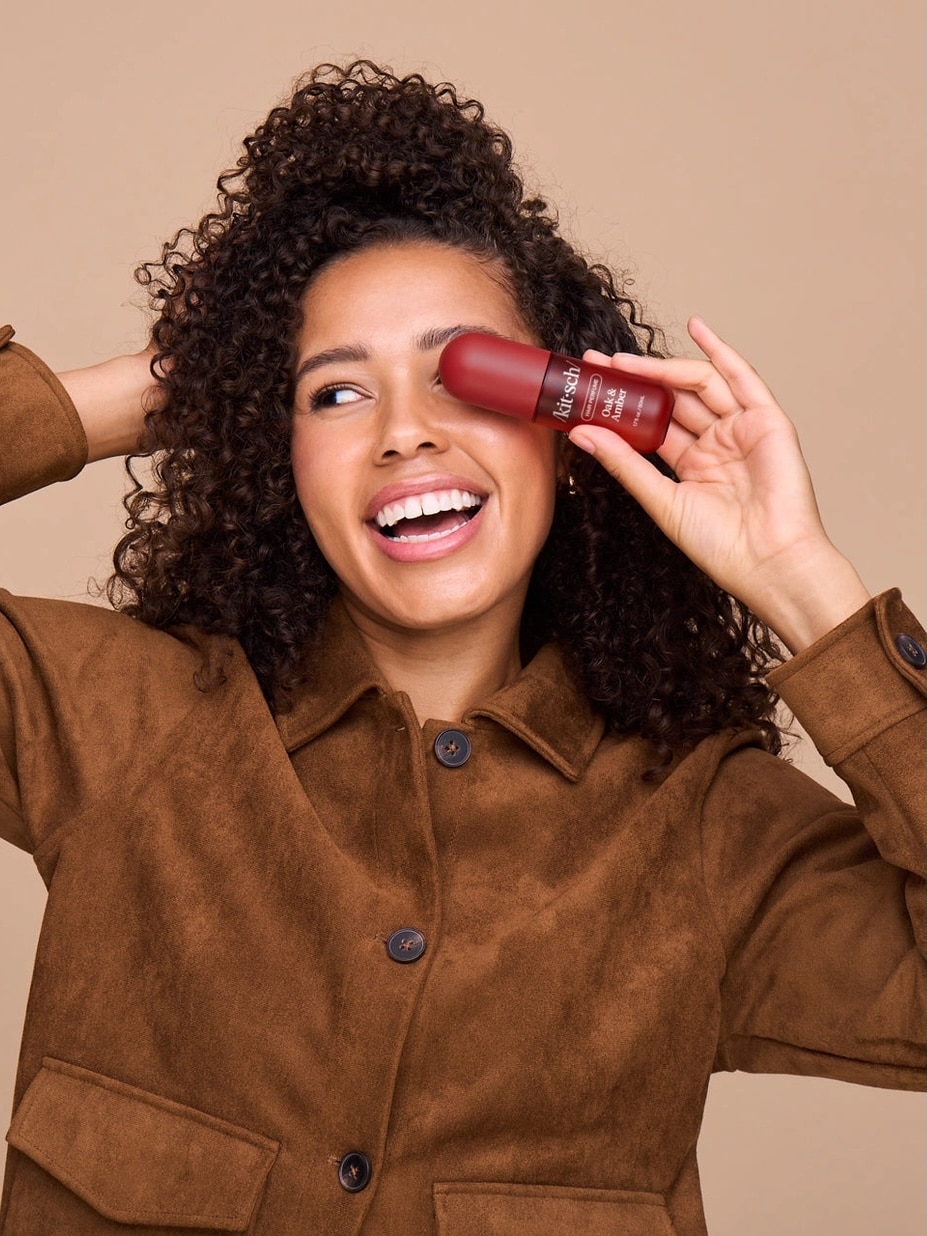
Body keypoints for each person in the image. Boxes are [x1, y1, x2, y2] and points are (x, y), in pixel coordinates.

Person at [0, 59, 923, 1236]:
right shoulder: (118, 721)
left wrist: (806, 584)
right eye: (335, 396)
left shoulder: (700, 829)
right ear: (269, 456)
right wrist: (142, 389)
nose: (405, 433)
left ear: (570, 429)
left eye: (463, 376)